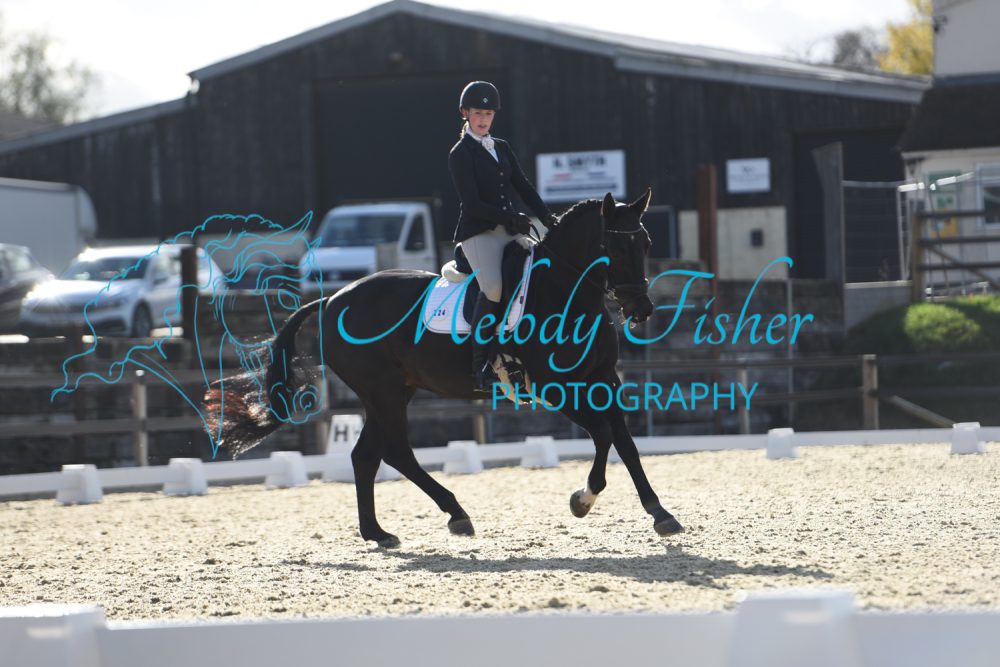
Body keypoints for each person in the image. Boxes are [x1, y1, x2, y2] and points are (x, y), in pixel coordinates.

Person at [448, 80, 558, 392]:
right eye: (478, 113)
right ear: (465, 113)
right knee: (494, 287)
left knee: (542, 269)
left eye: (488, 113)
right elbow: (472, 204)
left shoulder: (502, 147)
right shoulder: (460, 153)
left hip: (509, 229)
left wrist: (547, 217)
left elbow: (523, 186)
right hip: (478, 233)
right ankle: (480, 365)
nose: (483, 119)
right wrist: (510, 217)